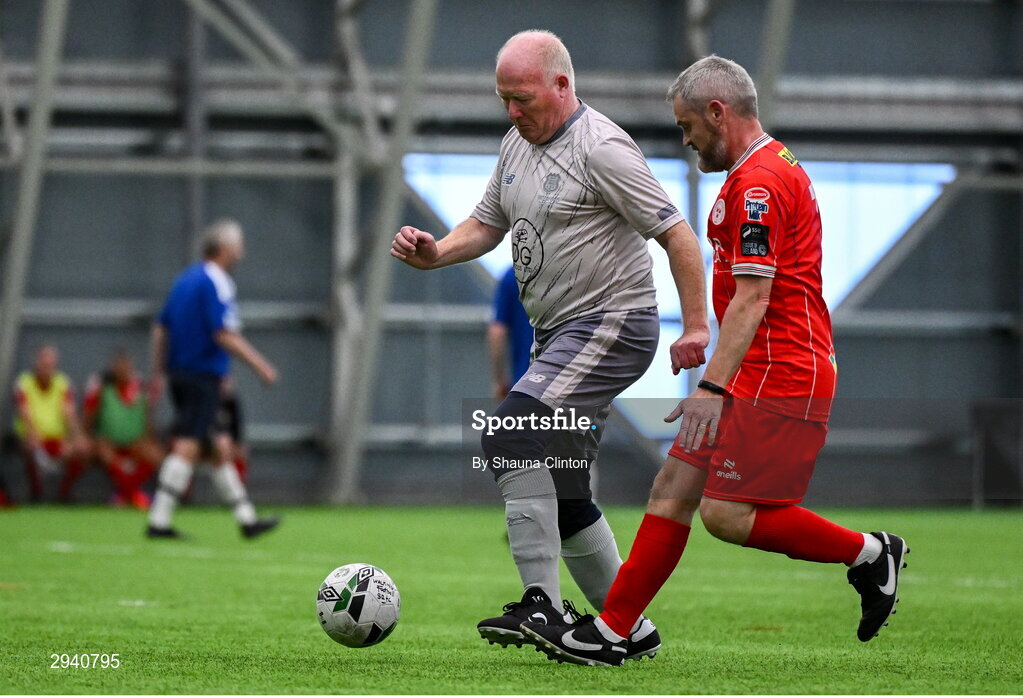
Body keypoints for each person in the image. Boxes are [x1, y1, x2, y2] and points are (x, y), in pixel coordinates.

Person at [520, 56, 910, 666]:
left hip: (783, 368)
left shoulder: (757, 186)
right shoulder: (762, 172)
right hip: (758, 364)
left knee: (727, 514)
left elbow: (755, 297)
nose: (686, 140)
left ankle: (869, 553)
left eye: (687, 127)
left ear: (717, 113)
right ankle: (616, 629)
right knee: (672, 489)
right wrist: (707, 338)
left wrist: (713, 388)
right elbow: (747, 292)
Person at [391, 30, 709, 660]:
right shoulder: (516, 143)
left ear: (562, 86)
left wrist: (696, 326)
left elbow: (678, 236)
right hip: (559, 335)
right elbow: (486, 223)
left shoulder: (602, 148)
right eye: (503, 99)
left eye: (522, 98)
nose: (512, 111)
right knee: (565, 489)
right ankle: (627, 628)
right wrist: (436, 254)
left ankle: (543, 605)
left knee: (508, 433)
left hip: (612, 324)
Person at [146, 219, 279, 540]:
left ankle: (247, 520)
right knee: (189, 443)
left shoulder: (184, 279)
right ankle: (158, 521)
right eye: (238, 245)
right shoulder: (217, 281)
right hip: (200, 376)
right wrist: (261, 365)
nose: (241, 253)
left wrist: (160, 373)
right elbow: (223, 333)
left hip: (181, 374)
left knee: (217, 446)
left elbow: (160, 329)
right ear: (224, 248)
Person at [83, 348, 163, 509]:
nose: (124, 371)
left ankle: (124, 495)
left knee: (157, 456)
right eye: (120, 367)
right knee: (105, 452)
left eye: (127, 367)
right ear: (113, 368)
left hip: (134, 442)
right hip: (108, 442)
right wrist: (89, 437)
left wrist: (150, 438)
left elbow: (147, 418)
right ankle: (133, 495)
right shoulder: (102, 388)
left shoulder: (140, 389)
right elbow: (89, 417)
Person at [12, 344, 91, 502]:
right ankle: (36, 493)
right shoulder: (23, 383)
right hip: (33, 438)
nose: (47, 368)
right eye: (44, 364)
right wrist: (34, 435)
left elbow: (69, 413)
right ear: (36, 362)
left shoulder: (63, 383)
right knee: (30, 446)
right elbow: (25, 412)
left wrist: (77, 437)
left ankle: (64, 492)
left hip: (58, 439)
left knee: (84, 448)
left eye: (50, 365)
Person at [488, 265, 533, 399]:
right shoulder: (571, 270)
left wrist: (499, 380)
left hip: (525, 382)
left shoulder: (513, 275)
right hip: (569, 382)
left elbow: (497, 331)